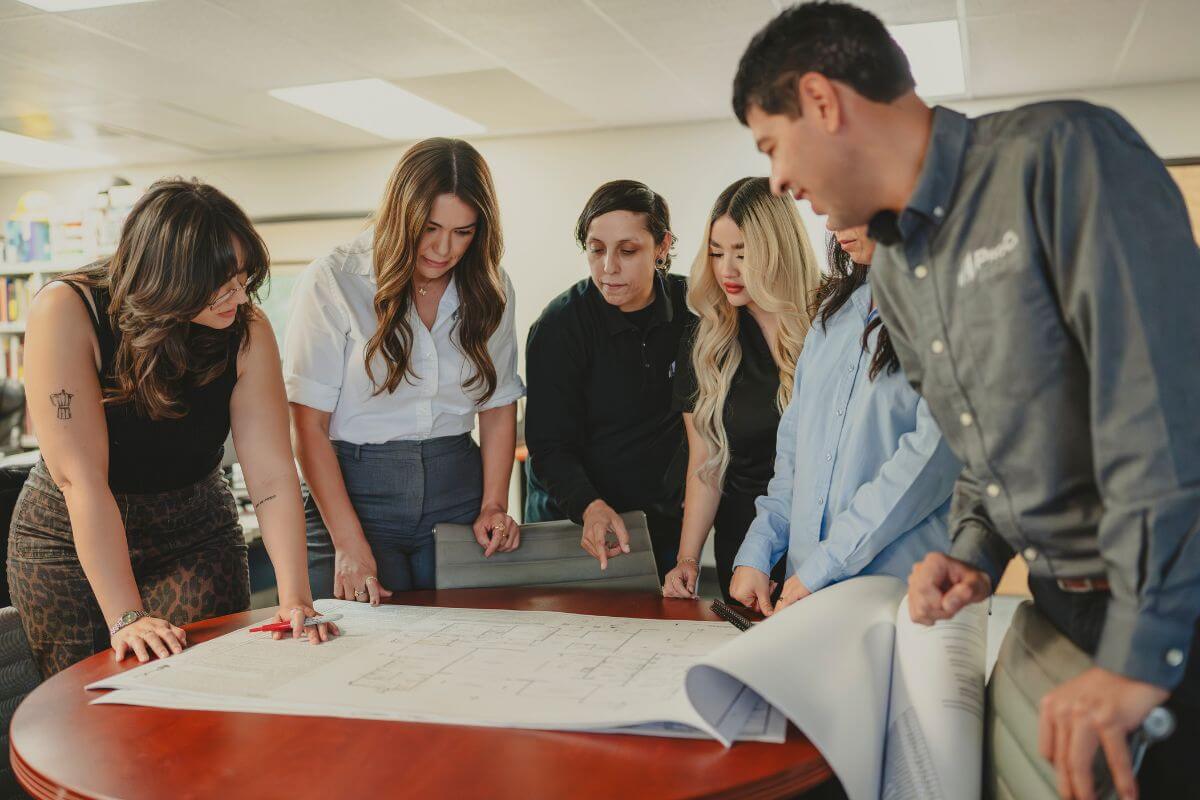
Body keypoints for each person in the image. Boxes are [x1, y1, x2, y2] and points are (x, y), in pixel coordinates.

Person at [733, 3, 1200, 797]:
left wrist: (1141, 651)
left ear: (821, 99)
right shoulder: (902, 271)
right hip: (1064, 603)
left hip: (1171, 606)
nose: (777, 178)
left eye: (773, 145)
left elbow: (1161, 414)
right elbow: (985, 447)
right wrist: (975, 550)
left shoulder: (1059, 155)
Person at [8, 178, 336, 678]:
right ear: (168, 277)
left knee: (205, 694)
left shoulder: (246, 328)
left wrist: (295, 596)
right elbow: (81, 479)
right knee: (87, 710)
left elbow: (270, 472)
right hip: (71, 536)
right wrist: (127, 617)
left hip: (193, 531)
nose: (238, 296)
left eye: (244, 279)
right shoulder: (68, 308)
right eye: (222, 284)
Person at [286, 138, 525, 603]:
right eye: (430, 228)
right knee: (361, 652)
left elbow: (497, 404)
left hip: (457, 488)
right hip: (355, 495)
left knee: (467, 643)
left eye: (463, 232)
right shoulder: (335, 279)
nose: (443, 249)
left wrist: (494, 503)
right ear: (401, 215)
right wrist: (349, 544)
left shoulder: (491, 286)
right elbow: (308, 425)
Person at [727, 222, 959, 614]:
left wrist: (823, 567)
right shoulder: (833, 315)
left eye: (844, 201)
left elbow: (927, 467)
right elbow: (794, 457)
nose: (832, 222)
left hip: (900, 599)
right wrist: (759, 549)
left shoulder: (951, 311)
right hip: (806, 594)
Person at [661, 177, 820, 601]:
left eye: (742, 254)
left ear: (777, 250)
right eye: (716, 252)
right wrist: (688, 559)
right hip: (745, 546)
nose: (726, 269)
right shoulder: (710, 338)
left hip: (820, 544)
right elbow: (706, 461)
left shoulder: (830, 320)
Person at [525, 179, 691, 581]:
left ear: (662, 246)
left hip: (659, 523)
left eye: (628, 251)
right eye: (596, 250)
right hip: (572, 519)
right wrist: (589, 505)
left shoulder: (695, 308)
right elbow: (548, 444)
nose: (608, 267)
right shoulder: (559, 325)